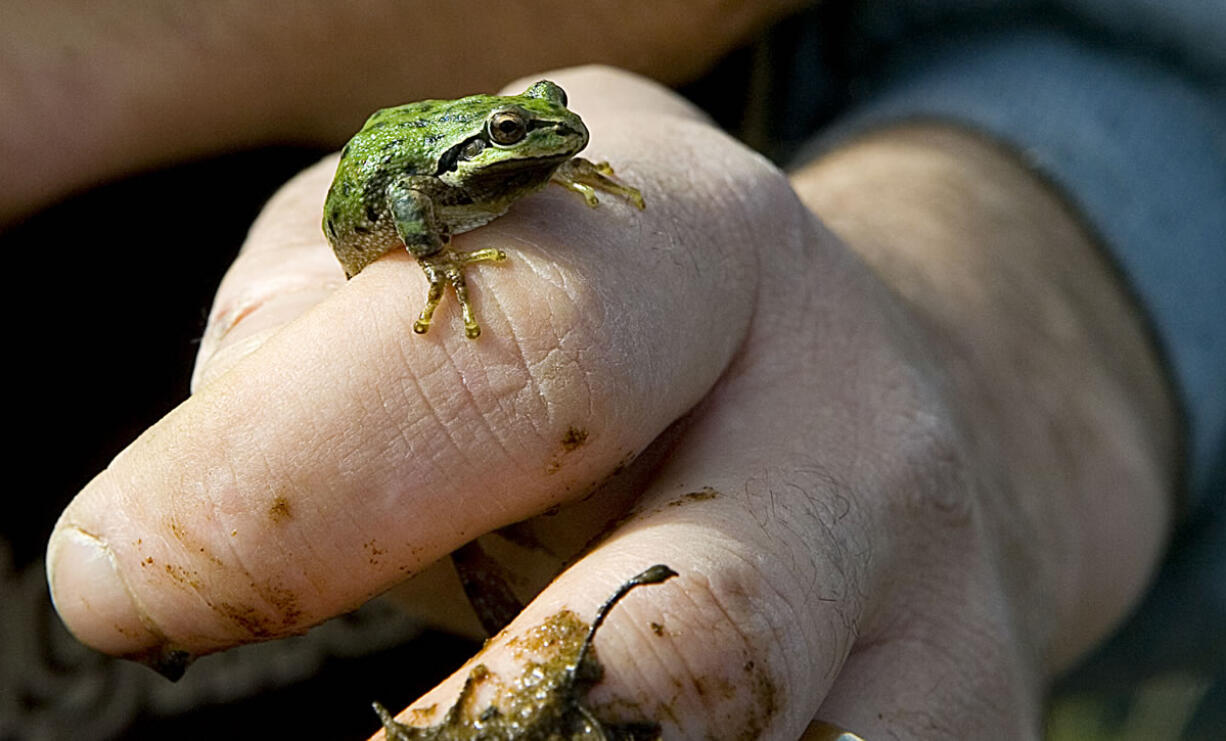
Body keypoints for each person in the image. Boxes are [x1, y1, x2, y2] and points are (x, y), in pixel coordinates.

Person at [25, 1, 1222, 738]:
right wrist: (435, 266)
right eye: (513, 139)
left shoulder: (512, 139)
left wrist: (998, 346)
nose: (540, 143)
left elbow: (1150, 57)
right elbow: (391, 192)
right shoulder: (416, 178)